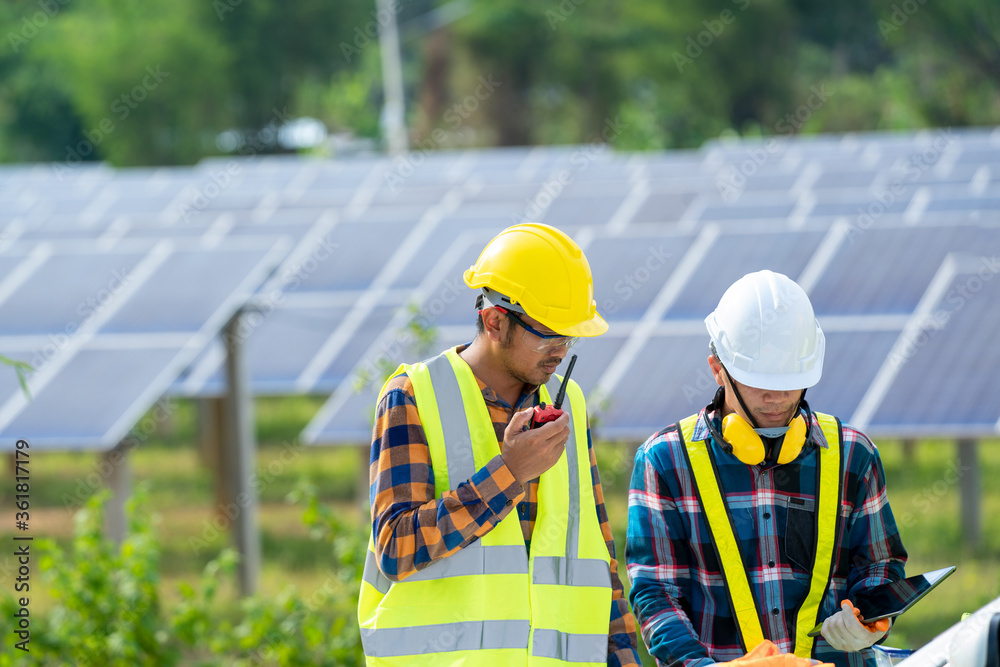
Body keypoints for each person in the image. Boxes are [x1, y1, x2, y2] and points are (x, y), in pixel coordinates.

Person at [359, 223, 641, 666]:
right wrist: (508, 474)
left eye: (570, 336)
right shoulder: (412, 395)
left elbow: (596, 554)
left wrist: (624, 658)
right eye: (548, 334)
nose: (561, 351)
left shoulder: (571, 405)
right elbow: (397, 547)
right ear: (494, 320)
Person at [625, 269, 908, 667]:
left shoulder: (852, 455)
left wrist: (869, 615)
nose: (776, 397)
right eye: (759, 383)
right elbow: (655, 592)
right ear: (717, 369)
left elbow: (880, 564)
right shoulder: (665, 460)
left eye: (790, 382)